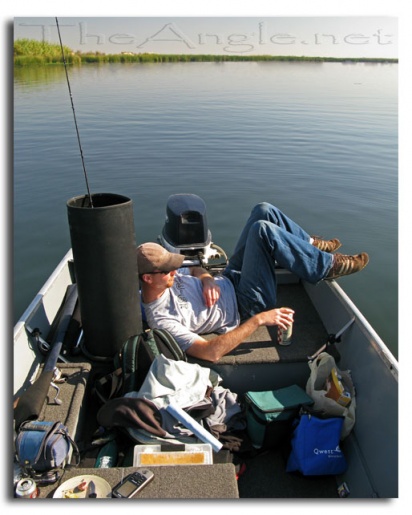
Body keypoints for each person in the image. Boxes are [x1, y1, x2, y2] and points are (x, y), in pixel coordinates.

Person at [137, 202, 369, 363]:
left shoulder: (161, 280)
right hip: (245, 303)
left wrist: (206, 279)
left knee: (263, 211)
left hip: (229, 278)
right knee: (262, 231)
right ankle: (326, 266)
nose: (175, 272)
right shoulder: (163, 321)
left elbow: (195, 268)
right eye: (168, 271)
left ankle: (310, 246)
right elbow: (210, 352)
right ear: (148, 278)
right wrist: (259, 320)